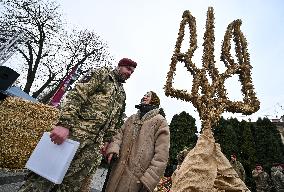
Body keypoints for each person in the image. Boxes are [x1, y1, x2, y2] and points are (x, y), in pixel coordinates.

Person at [19, 58, 137, 192]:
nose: (129, 73)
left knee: (70, 186)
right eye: (128, 69)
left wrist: (106, 140)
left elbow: (114, 119)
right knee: (41, 180)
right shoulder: (102, 74)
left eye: (132, 72)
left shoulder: (121, 94)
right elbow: (77, 95)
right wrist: (64, 124)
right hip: (73, 135)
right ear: (120, 66)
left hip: (92, 146)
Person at [104, 91, 170, 192]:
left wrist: (149, 179)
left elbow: (162, 155)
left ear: (154, 100)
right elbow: (118, 135)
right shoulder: (131, 118)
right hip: (116, 171)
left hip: (137, 178)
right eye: (144, 95)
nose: (144, 97)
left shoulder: (160, 121)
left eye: (148, 96)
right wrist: (114, 148)